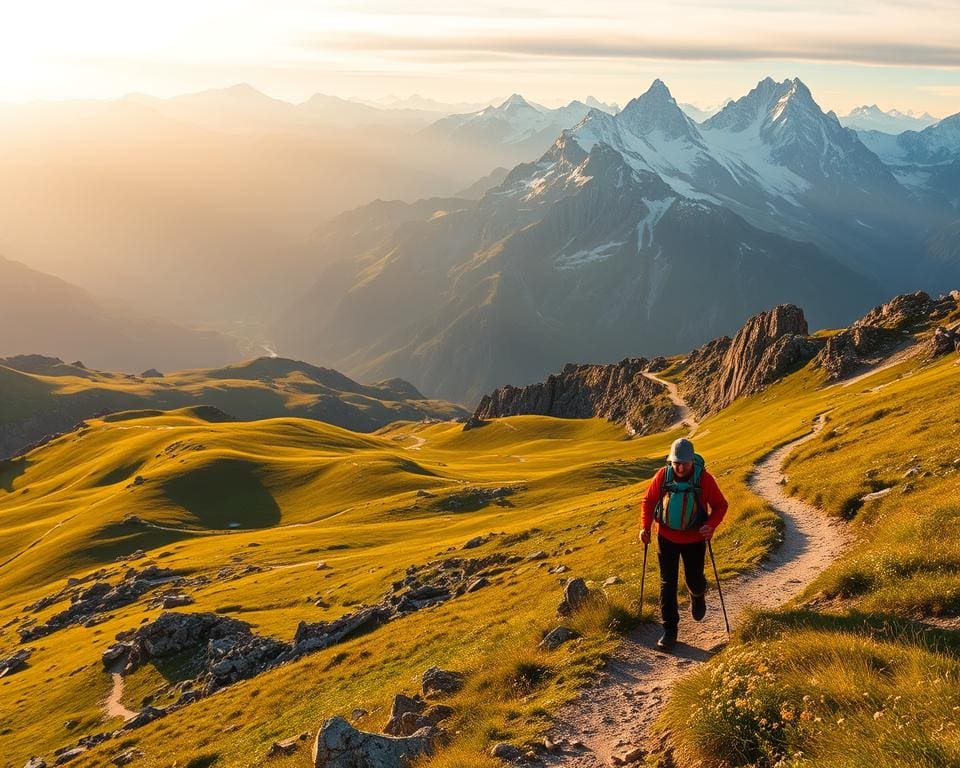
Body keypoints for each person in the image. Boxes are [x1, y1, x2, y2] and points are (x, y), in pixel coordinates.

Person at [639, 437, 728, 650]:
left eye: (684, 463)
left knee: (694, 578)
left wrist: (711, 525)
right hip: (666, 538)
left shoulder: (704, 479)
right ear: (671, 461)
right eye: (675, 462)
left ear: (692, 462)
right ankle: (670, 630)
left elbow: (720, 505)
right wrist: (645, 526)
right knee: (667, 583)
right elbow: (649, 501)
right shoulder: (663, 475)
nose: (679, 467)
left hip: (695, 539)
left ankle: (697, 596)